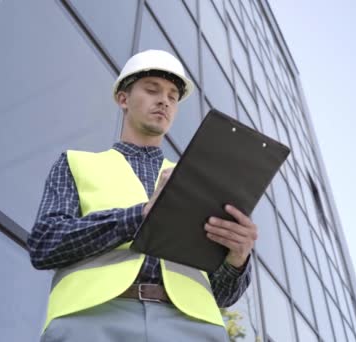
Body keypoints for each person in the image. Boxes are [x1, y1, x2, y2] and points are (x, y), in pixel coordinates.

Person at [28, 49, 259, 341]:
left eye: (173, 96)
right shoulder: (77, 163)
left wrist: (237, 259)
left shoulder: (201, 182)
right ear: (123, 99)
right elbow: (44, 243)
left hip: (193, 327)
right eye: (152, 90)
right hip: (92, 320)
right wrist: (139, 216)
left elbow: (223, 295)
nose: (164, 100)